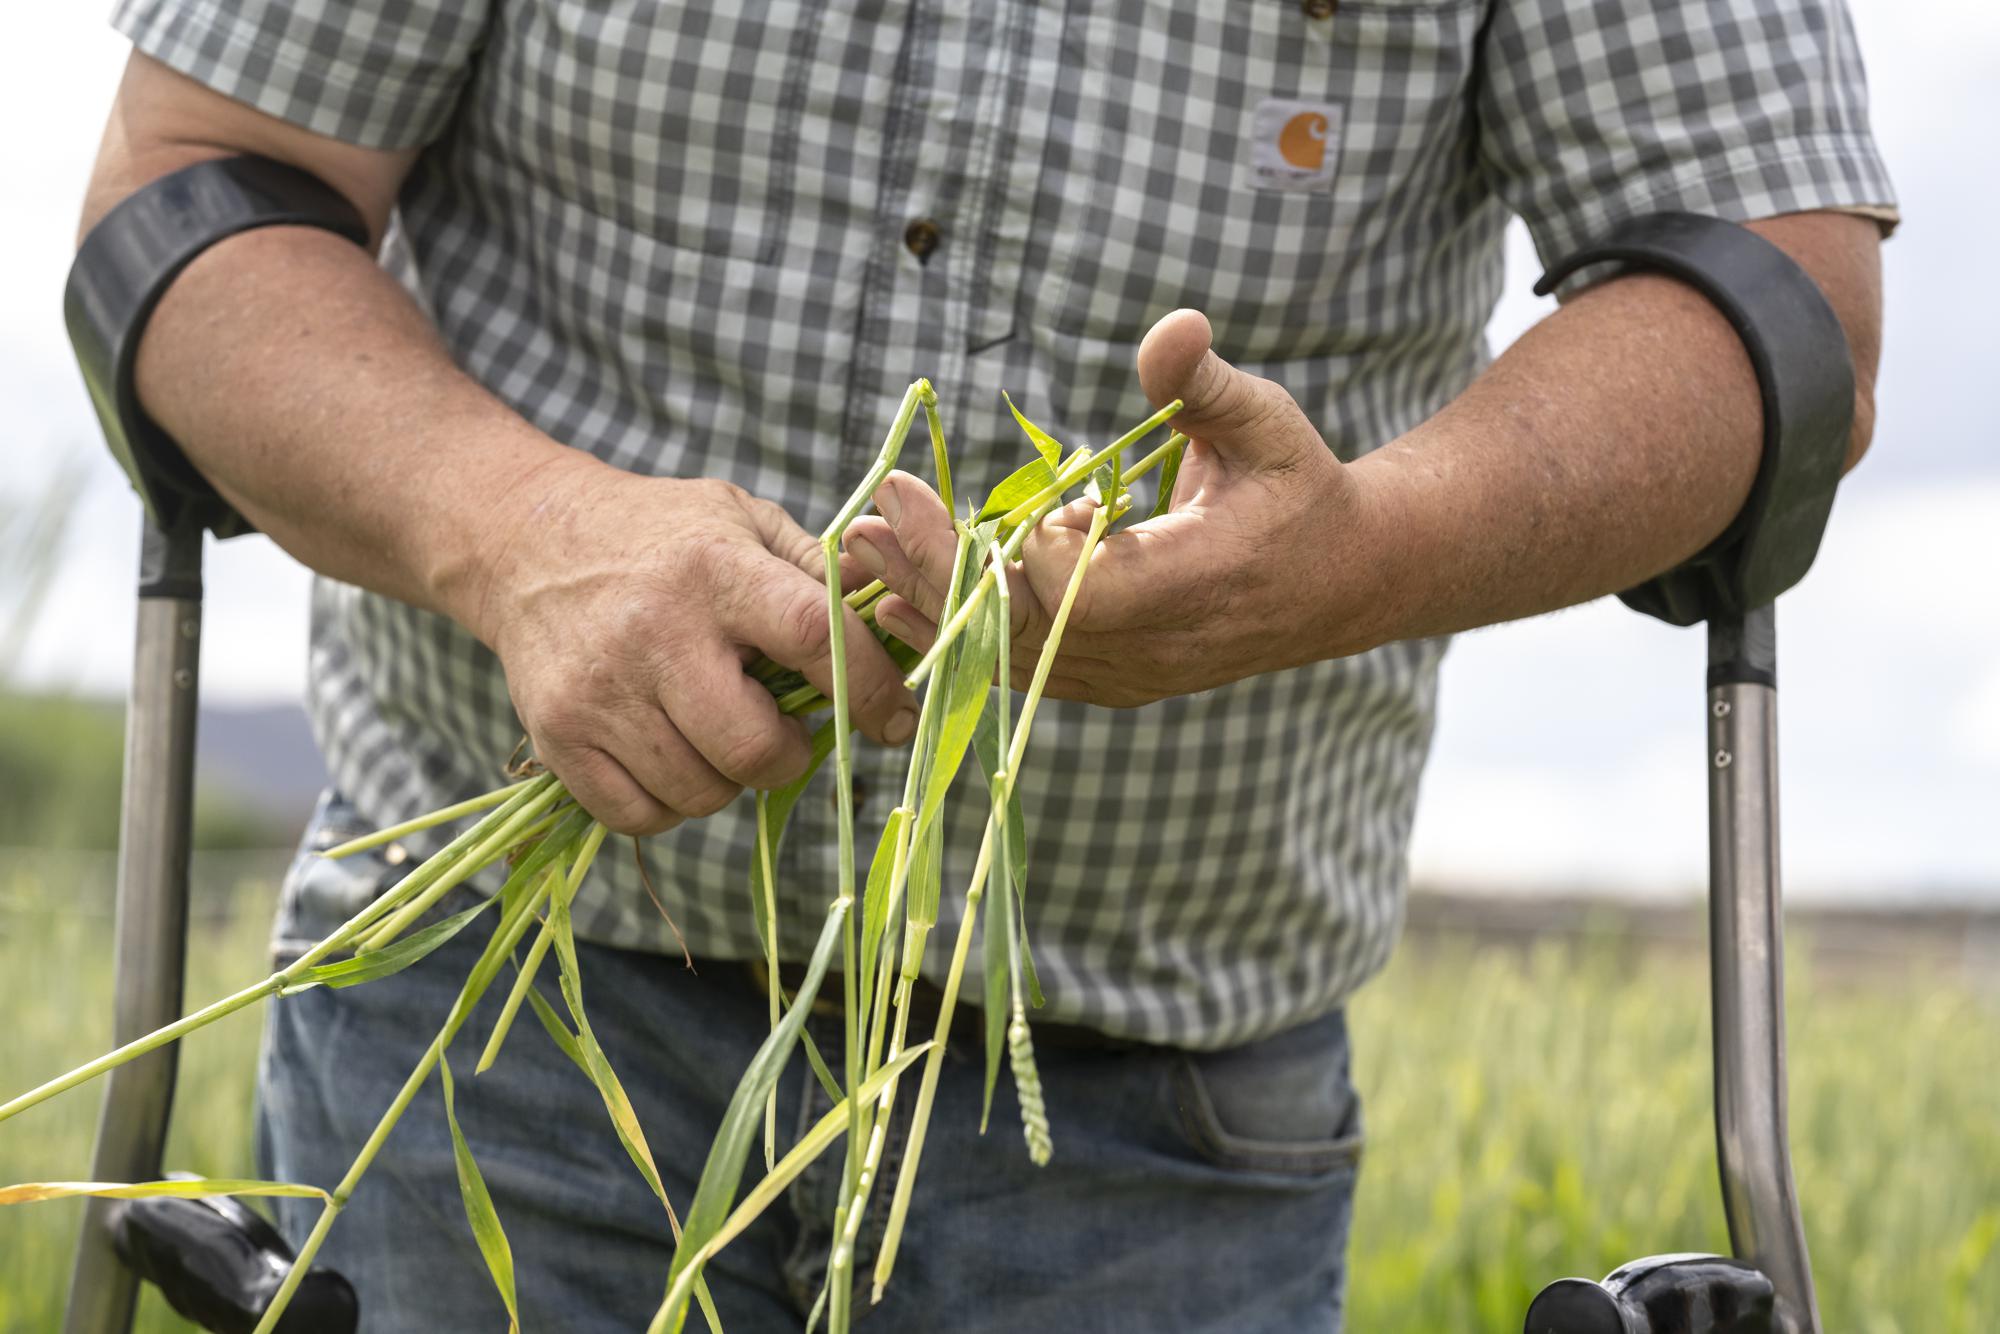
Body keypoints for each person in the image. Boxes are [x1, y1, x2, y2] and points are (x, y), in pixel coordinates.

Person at [81, 1, 1893, 1329]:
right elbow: (193, 182)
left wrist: (1353, 559)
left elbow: (1776, 298)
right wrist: (510, 525)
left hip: (1155, 1113)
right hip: (485, 1021)